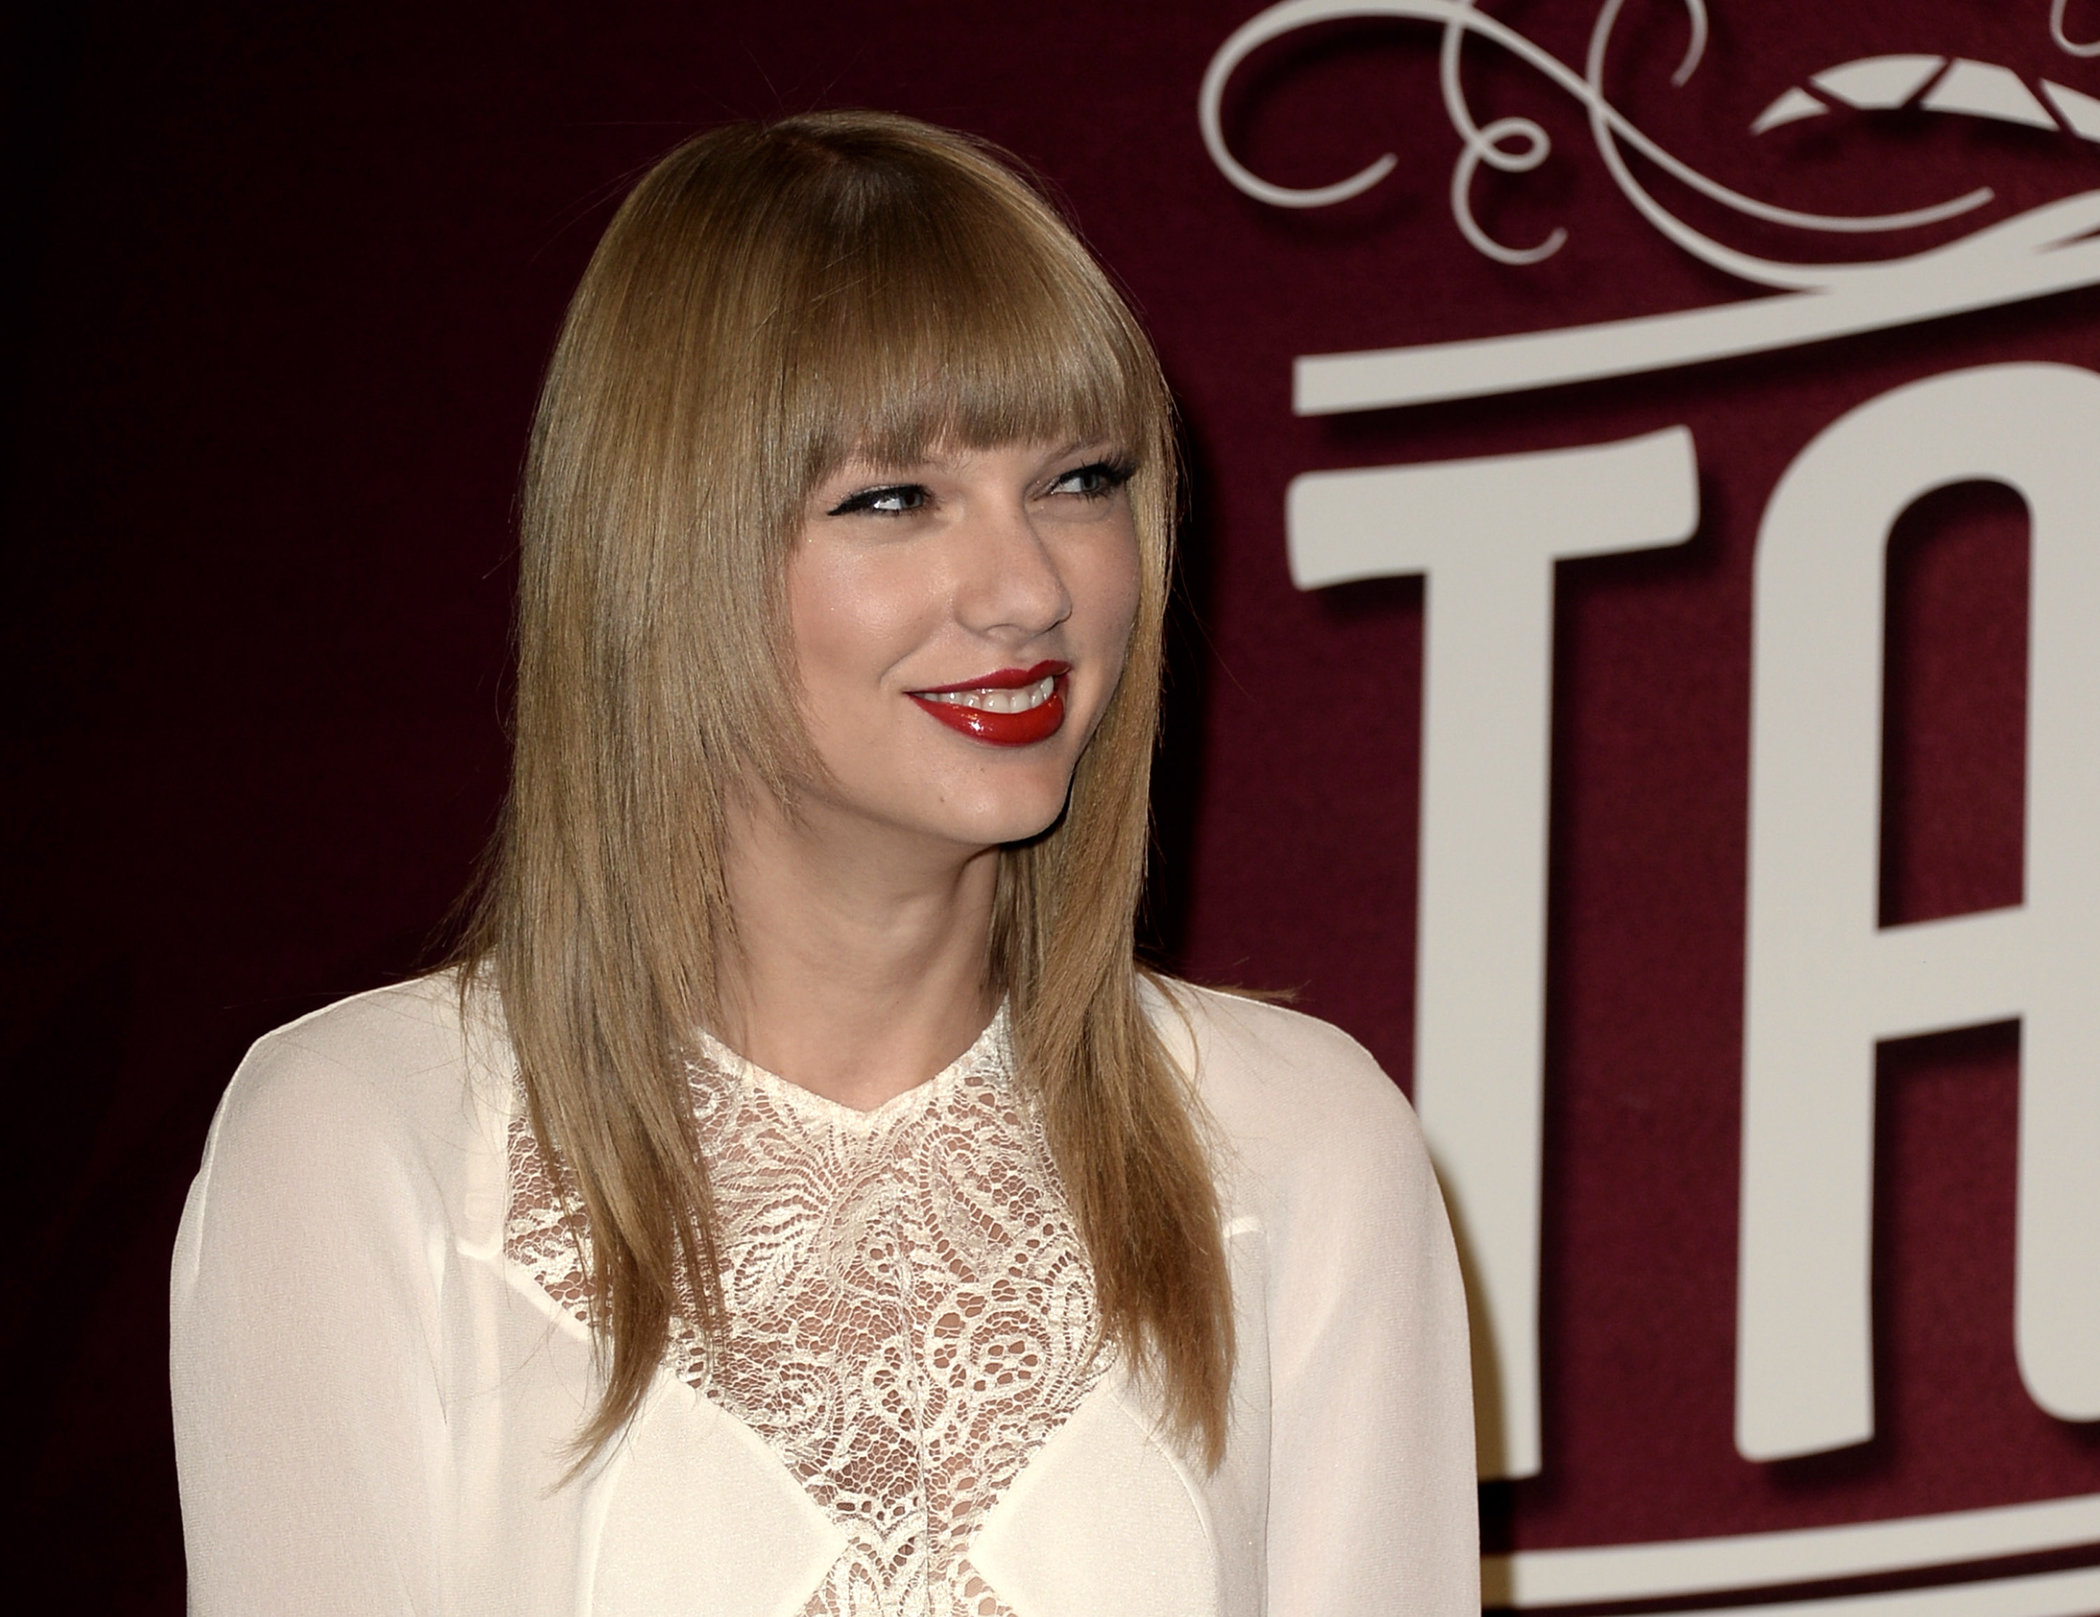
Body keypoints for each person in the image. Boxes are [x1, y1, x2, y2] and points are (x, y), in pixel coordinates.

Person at [169, 110, 1478, 1617]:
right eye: (894, 499)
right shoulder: (368, 1137)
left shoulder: (1300, 1143)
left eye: (1080, 479)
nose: (1029, 588)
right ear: (671, 556)